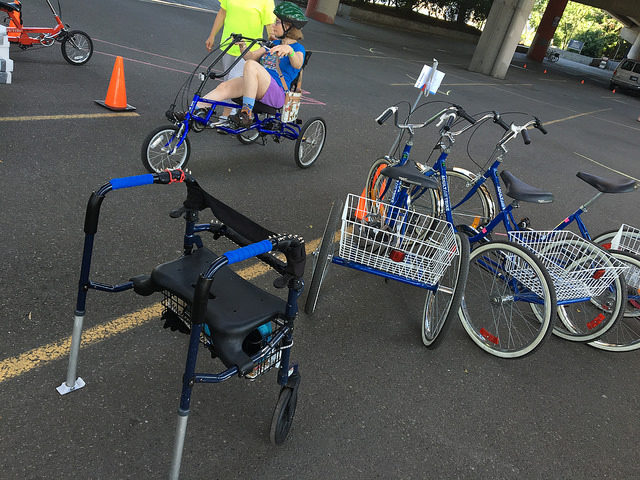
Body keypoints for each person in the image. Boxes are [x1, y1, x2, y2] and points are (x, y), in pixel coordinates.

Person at [196, 1, 308, 128]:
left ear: (288, 26)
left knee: (251, 65)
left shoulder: (298, 48)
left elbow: (298, 64)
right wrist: (243, 47)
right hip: (259, 86)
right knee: (224, 87)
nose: (273, 25)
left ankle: (246, 113)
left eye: (277, 22)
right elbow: (250, 57)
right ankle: (191, 112)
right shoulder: (273, 44)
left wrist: (290, 51)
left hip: (277, 93)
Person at [205, 0, 276, 125]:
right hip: (228, 45)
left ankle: (227, 116)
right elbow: (222, 12)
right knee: (227, 81)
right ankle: (228, 114)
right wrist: (212, 35)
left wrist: (272, 38)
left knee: (234, 80)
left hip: (249, 50)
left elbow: (270, 23)